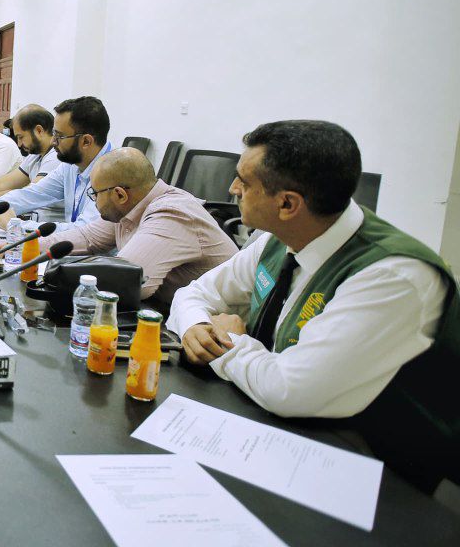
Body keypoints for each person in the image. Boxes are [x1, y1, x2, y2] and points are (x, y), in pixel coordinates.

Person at [169, 121, 457, 488]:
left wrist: (229, 344)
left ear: (287, 204)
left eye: (244, 181)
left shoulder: (393, 276)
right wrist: (197, 327)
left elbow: (289, 391)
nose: (232, 189)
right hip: (282, 434)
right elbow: (194, 294)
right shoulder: (279, 238)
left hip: (380, 473)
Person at [51, 148, 238, 303]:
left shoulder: (171, 214)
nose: (94, 200)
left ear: (120, 195)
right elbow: (87, 237)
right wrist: (33, 246)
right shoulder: (128, 208)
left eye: (95, 193)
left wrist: (52, 275)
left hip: (214, 324)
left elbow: (126, 282)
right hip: (175, 311)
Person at [0, 96, 112, 233]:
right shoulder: (70, 166)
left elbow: (85, 232)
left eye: (59, 136)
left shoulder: (112, 173)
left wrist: (17, 226)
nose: (54, 141)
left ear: (86, 141)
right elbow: (29, 194)